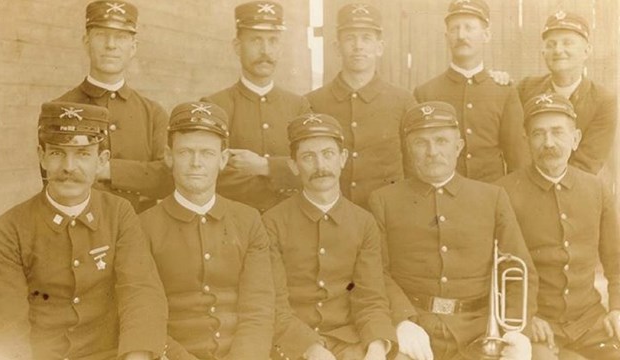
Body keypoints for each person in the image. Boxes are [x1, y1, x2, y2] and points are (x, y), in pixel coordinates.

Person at [0, 102, 168, 360]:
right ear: (42, 156)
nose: (69, 167)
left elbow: (141, 292)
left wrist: (136, 356)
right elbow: (5, 325)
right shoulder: (10, 227)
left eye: (82, 154)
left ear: (101, 161)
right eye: (58, 153)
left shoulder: (119, 213)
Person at [368, 101, 538, 360]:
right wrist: (402, 320)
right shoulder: (384, 200)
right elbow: (376, 271)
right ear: (408, 149)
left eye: (441, 141)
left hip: (479, 333)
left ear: (458, 147)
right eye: (420, 143)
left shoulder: (492, 197)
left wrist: (517, 332)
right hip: (415, 328)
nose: (432, 151)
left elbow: (519, 269)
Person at [139, 101, 274, 360]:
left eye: (207, 153)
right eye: (185, 152)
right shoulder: (144, 226)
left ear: (223, 159)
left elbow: (259, 307)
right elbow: (145, 314)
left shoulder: (248, 220)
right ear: (169, 156)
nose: (196, 163)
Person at [497, 93, 620, 359]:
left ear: (575, 139)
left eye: (557, 133)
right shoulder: (503, 192)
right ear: (527, 141)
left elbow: (615, 260)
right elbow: (495, 269)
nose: (549, 143)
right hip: (539, 326)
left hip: (591, 322)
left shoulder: (596, 188)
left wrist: (617, 309)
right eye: (539, 134)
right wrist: (526, 316)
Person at [264, 113, 396, 360]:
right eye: (308, 157)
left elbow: (371, 297)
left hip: (350, 341)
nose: (320, 166)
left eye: (328, 154)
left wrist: (377, 346)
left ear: (342, 159)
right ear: (293, 165)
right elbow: (274, 303)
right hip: (291, 345)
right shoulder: (272, 222)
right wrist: (311, 348)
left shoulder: (363, 222)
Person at [55, 0, 171, 212]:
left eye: (121, 37)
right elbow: (56, 180)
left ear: (133, 47)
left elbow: (167, 178)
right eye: (101, 35)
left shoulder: (153, 113)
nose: (111, 45)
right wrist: (140, 176)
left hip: (139, 230)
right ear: (86, 42)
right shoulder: (60, 109)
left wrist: (108, 170)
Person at [305, 3, 417, 209]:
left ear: (379, 47)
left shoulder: (402, 101)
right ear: (337, 47)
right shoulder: (313, 102)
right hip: (332, 213)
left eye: (366, 38)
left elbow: (414, 168)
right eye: (350, 38)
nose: (358, 46)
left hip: (388, 214)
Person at [202, 1, 310, 213]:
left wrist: (265, 166)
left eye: (273, 41)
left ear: (280, 47)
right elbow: (211, 174)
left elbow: (311, 168)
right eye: (255, 40)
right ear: (237, 46)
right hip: (234, 222)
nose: (265, 50)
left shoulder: (299, 106)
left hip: (289, 221)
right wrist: (284, 171)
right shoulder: (214, 106)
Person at [413, 0, 528, 183]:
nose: (461, 35)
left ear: (486, 35)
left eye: (469, 28)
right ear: (446, 37)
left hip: (492, 197)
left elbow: (517, 159)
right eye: (454, 29)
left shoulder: (504, 92)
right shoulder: (426, 93)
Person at [517, 11, 617, 175]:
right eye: (551, 44)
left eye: (567, 43)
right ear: (543, 53)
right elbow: (518, 147)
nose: (558, 50)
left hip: (579, 190)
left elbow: (588, 163)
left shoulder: (604, 100)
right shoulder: (526, 89)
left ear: (586, 51)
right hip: (531, 187)